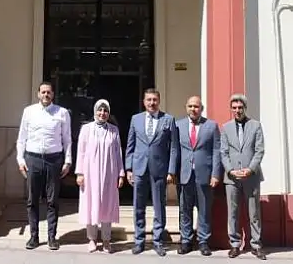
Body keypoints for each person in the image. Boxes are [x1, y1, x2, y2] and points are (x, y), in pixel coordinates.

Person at [16, 81, 72, 251]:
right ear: (38, 94)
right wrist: (20, 160)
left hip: (54, 160)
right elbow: (22, 138)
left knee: (52, 201)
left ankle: (52, 237)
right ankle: (33, 237)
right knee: (32, 200)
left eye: (49, 92)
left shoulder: (62, 113)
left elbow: (67, 139)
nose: (46, 95)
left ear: (53, 94)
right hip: (33, 159)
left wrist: (67, 161)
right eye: (43, 92)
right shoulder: (29, 111)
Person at [125, 88, 179, 256]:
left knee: (159, 206)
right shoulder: (135, 119)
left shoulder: (168, 120)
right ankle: (139, 241)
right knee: (138, 206)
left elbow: (174, 148)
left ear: (159, 101)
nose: (152, 103)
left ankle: (158, 241)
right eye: (149, 100)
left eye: (154, 100)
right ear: (144, 101)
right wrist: (128, 168)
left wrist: (171, 170)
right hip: (139, 168)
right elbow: (130, 145)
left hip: (159, 169)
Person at [220, 94, 267, 260]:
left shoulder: (256, 126)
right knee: (232, 212)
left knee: (254, 213)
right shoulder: (226, 128)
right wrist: (230, 170)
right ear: (231, 109)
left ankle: (256, 245)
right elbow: (223, 152)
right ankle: (234, 244)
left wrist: (250, 169)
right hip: (232, 178)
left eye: (240, 107)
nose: (237, 110)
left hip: (251, 176)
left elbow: (259, 150)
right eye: (234, 108)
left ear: (245, 108)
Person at [75, 99, 125, 253]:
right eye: (100, 110)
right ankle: (92, 239)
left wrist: (121, 174)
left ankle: (106, 240)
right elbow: (81, 152)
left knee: (107, 206)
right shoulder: (86, 129)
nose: (102, 113)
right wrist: (80, 173)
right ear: (95, 111)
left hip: (109, 174)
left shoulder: (114, 130)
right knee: (91, 204)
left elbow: (118, 153)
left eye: (105, 111)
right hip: (90, 174)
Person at [177, 96, 222, 255]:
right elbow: (174, 150)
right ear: (186, 107)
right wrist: (172, 172)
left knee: (204, 209)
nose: (193, 109)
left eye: (196, 106)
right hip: (184, 174)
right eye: (190, 106)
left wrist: (215, 174)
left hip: (205, 175)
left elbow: (217, 151)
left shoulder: (211, 126)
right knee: (185, 209)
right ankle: (186, 241)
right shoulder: (178, 125)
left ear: (201, 109)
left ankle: (203, 241)